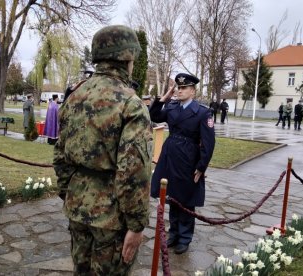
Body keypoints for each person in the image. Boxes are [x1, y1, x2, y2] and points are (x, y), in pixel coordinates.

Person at [53, 25, 152, 275]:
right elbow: (133, 172)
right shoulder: (131, 103)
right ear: (128, 57)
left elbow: (60, 154)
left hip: (77, 206)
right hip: (112, 216)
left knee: (81, 270)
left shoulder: (74, 96)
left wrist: (69, 193)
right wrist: (137, 224)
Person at [150, 73, 215, 255]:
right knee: (171, 196)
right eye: (178, 87)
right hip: (170, 156)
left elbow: (208, 143)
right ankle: (174, 234)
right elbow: (154, 115)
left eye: (183, 88)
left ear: (192, 91)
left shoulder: (202, 112)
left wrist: (201, 166)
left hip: (188, 158)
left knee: (186, 199)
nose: (179, 90)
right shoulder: (171, 107)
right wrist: (163, 99)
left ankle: (185, 238)